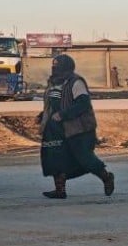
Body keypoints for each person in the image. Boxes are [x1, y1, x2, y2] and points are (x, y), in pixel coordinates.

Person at [39, 53, 115, 199]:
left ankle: (106, 177)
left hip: (77, 129)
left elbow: (83, 103)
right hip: (56, 128)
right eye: (53, 66)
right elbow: (52, 105)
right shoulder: (53, 83)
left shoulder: (75, 82)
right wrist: (43, 117)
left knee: (84, 157)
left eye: (58, 66)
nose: (55, 69)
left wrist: (63, 114)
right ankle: (60, 190)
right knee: (55, 156)